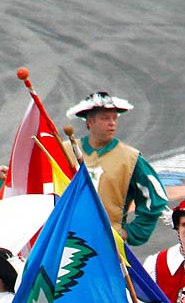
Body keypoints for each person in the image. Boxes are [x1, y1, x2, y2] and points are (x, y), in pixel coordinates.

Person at [66, 92, 168, 247]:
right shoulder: (65, 151)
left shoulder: (130, 158)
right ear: (90, 121)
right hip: (66, 239)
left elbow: (155, 198)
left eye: (114, 118)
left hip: (108, 244)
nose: (112, 123)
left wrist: (132, 232)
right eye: (105, 118)